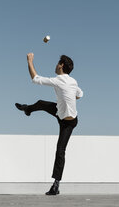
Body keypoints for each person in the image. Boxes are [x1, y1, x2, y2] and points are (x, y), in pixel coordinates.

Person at [15, 53, 83, 195]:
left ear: (61, 65)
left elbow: (35, 79)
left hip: (68, 124)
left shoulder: (59, 80)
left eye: (57, 63)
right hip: (60, 113)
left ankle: (56, 185)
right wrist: (68, 99)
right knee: (41, 103)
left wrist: (30, 61)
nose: (55, 65)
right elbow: (80, 94)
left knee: (60, 151)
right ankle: (27, 109)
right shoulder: (73, 81)